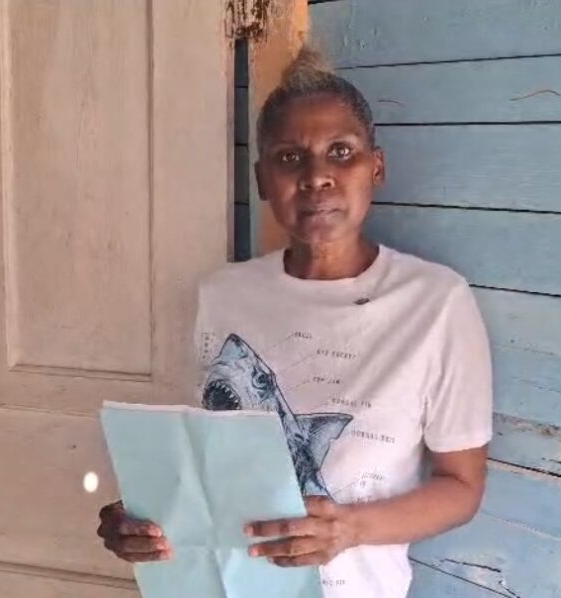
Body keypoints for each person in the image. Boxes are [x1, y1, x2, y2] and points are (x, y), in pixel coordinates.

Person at [97, 47, 493, 598]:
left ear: (376, 168)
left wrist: (349, 529)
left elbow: (462, 488)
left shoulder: (436, 303)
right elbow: (194, 462)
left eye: (341, 152)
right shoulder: (221, 296)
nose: (317, 178)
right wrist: (138, 519)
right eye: (289, 158)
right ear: (262, 179)